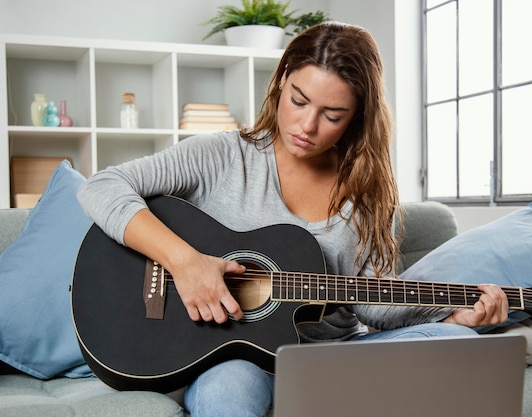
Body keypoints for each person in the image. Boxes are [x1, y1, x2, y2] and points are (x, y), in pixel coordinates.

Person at [77, 22, 509, 417]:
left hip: (332, 356)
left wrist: (453, 320)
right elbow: (100, 187)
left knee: (455, 343)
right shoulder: (221, 156)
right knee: (226, 397)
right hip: (238, 358)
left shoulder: (368, 196)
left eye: (332, 115)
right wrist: (185, 261)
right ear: (281, 80)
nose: (306, 125)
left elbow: (375, 305)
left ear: (356, 116)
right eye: (298, 100)